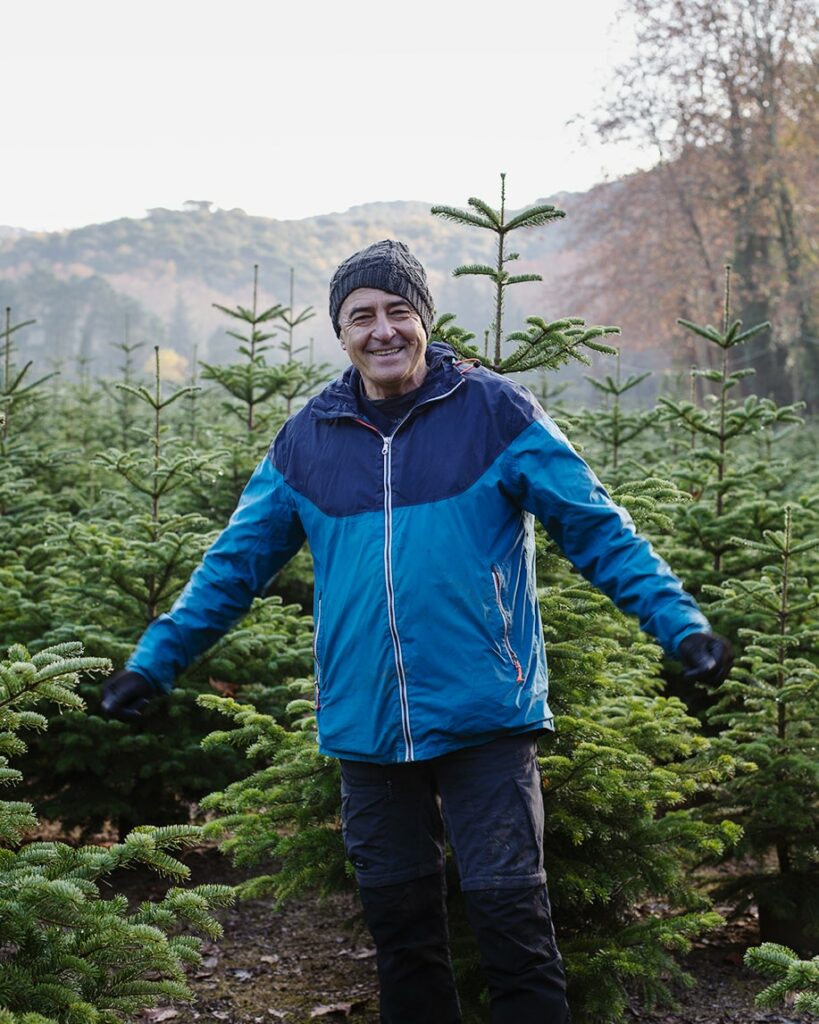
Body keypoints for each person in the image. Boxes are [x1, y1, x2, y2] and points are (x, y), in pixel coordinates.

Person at [102, 239, 733, 1024]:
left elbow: (598, 529)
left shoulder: (496, 414)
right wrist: (152, 664)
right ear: (341, 334)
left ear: (424, 320)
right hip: (366, 730)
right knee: (402, 940)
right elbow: (231, 567)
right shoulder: (308, 440)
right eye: (360, 315)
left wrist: (680, 627)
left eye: (398, 311)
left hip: (484, 720)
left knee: (514, 933)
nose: (382, 330)